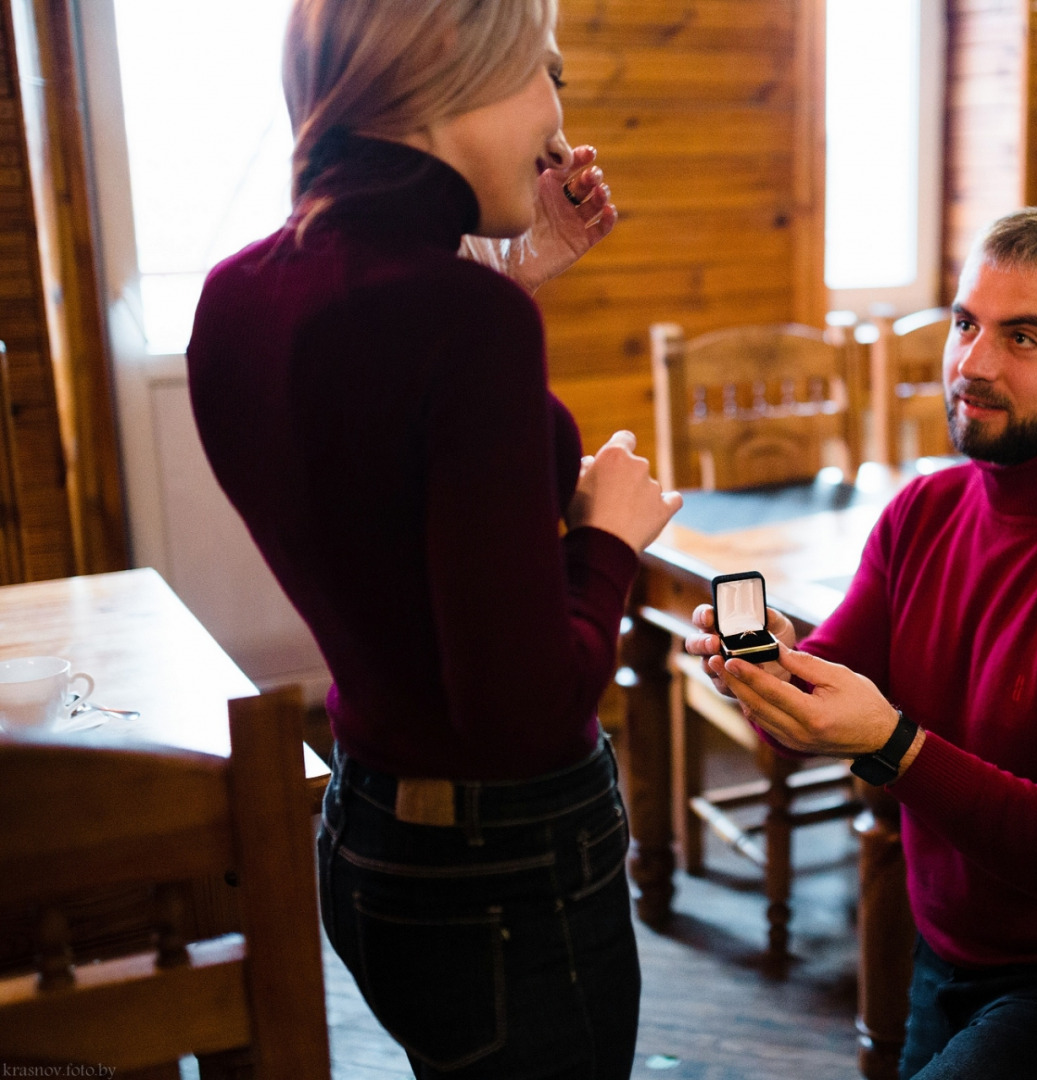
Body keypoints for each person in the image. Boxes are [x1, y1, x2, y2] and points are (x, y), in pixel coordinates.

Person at [187, 2, 680, 1077]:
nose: (559, 125)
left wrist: (525, 262)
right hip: (508, 871)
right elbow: (524, 713)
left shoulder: (236, 297)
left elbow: (382, 476)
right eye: (547, 73)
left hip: (371, 836)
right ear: (461, 70)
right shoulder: (464, 323)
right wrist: (609, 539)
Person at [687, 209, 1037, 1079]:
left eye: (1022, 337)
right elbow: (803, 721)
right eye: (964, 324)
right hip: (946, 956)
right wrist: (760, 676)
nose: (972, 364)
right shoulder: (923, 513)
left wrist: (893, 746)